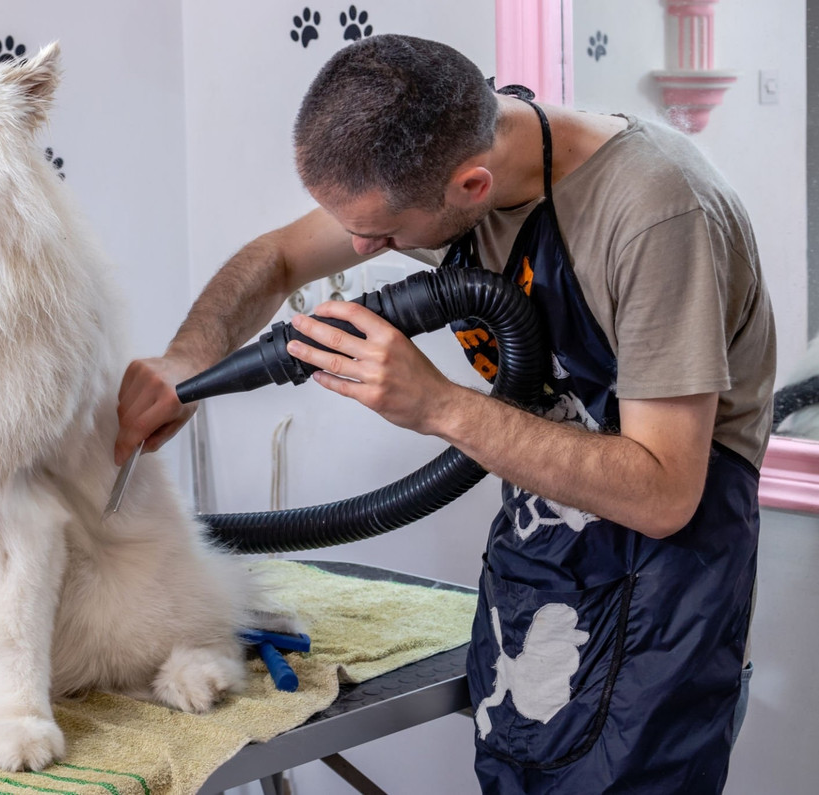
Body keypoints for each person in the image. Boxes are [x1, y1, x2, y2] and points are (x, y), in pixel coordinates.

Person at [115, 34, 775, 793]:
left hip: (667, 597)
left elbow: (663, 493)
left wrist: (436, 406)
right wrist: (184, 362)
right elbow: (278, 257)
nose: (362, 247)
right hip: (537, 570)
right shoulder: (436, 165)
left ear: (470, 185)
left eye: (383, 236)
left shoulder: (653, 215)